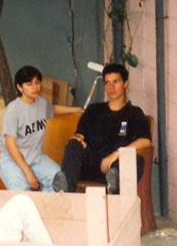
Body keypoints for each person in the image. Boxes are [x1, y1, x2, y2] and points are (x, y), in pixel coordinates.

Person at [52, 63, 151, 194]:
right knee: (73, 144)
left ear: (126, 83)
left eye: (115, 82)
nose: (111, 87)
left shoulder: (134, 113)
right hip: (90, 165)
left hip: (114, 166)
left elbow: (146, 141)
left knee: (135, 161)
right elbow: (80, 134)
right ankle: (65, 187)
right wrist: (78, 138)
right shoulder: (94, 110)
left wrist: (116, 154)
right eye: (107, 83)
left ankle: (113, 185)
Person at [0, 65, 83, 192]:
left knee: (60, 182)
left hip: (35, 158)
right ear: (19, 87)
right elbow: (10, 145)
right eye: (29, 84)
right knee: (21, 192)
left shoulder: (41, 103)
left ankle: (44, 204)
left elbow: (53, 109)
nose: (35, 87)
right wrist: (28, 173)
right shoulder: (13, 110)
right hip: (12, 160)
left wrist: (77, 110)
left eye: (37, 83)